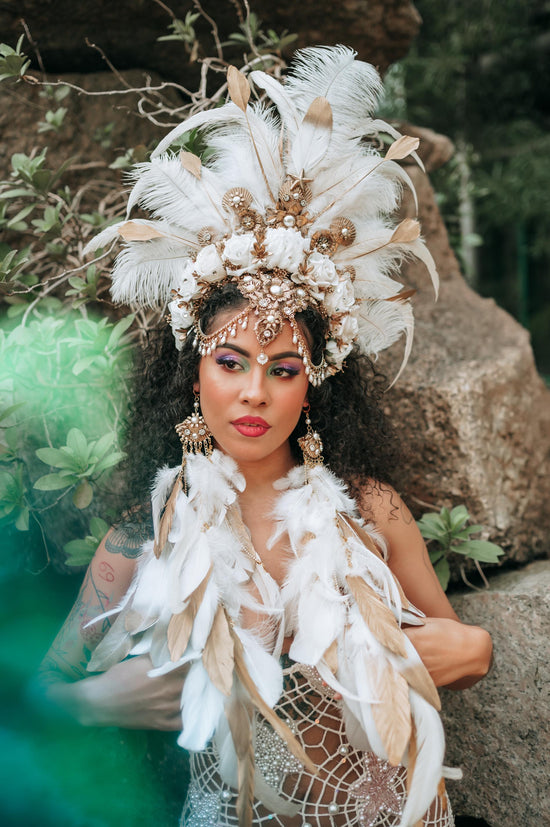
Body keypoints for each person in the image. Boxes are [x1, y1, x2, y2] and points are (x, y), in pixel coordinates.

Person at [38, 46, 493, 827]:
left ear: (313, 385)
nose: (255, 391)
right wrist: (98, 700)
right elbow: (37, 694)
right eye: (231, 362)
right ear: (194, 375)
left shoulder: (370, 510)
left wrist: (448, 651)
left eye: (284, 369)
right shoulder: (143, 538)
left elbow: (464, 647)